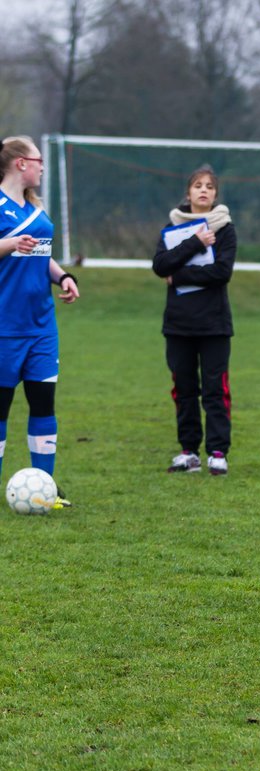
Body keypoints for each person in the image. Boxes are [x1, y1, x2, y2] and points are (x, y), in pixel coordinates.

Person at [0, 135, 79, 505]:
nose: (42, 166)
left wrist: (63, 276)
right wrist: (10, 244)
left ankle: (45, 485)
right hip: (5, 328)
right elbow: (16, 248)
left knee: (43, 403)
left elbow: (40, 254)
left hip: (41, 327)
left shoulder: (36, 208)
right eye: (37, 160)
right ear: (19, 163)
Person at [152, 164, 238, 476]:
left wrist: (179, 277)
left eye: (209, 187)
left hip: (214, 324)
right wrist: (196, 244)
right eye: (198, 185)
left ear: (215, 195)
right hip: (178, 324)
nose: (204, 190)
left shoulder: (225, 228)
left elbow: (221, 273)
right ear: (188, 193)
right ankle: (188, 451)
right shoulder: (173, 227)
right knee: (184, 389)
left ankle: (217, 452)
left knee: (215, 390)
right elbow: (161, 266)